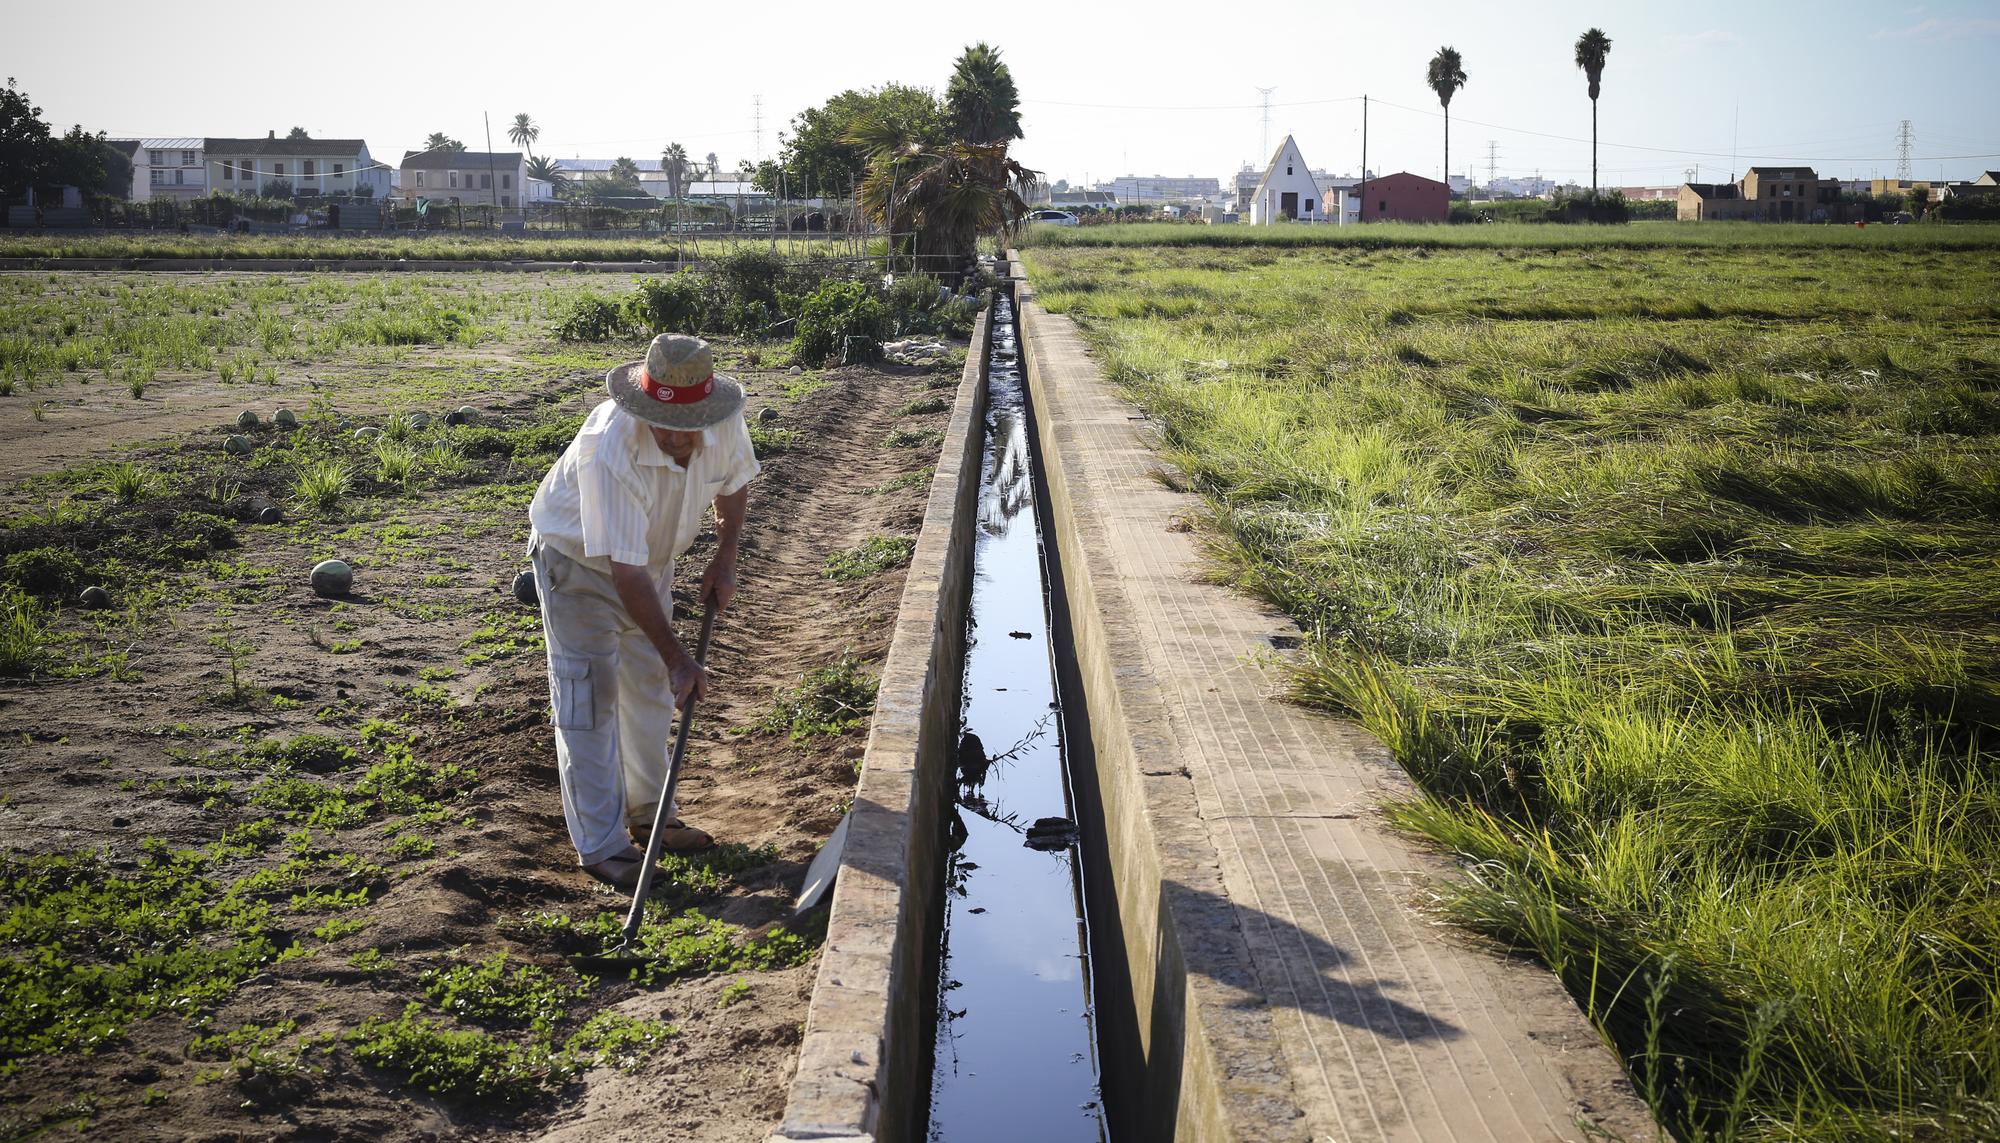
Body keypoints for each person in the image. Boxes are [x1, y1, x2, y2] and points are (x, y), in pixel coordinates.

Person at [526, 333, 759, 890]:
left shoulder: (722, 417)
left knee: (651, 687)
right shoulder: (611, 449)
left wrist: (725, 557)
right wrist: (680, 656)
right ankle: (603, 846)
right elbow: (622, 572)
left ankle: (653, 815)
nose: (680, 437)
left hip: (650, 560)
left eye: (690, 425)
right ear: (643, 408)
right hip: (579, 566)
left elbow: (734, 482)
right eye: (666, 424)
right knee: (591, 696)